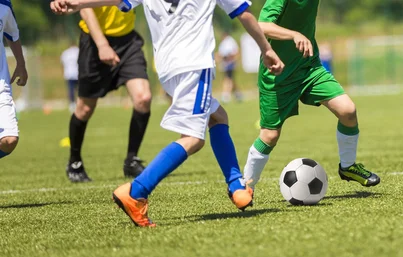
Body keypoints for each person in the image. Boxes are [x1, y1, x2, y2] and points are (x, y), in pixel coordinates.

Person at [51, 0, 284, 227]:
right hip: (194, 64)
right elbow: (243, 13)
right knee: (193, 139)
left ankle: (236, 185)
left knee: (218, 117)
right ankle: (136, 191)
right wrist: (267, 49)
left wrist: (77, 3)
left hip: (166, 67)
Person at [242, 0, 380, 191]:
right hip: (277, 74)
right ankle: (246, 187)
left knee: (348, 110)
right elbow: (262, 25)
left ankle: (348, 167)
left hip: (309, 67)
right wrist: (294, 35)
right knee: (269, 135)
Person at [66, 4, 153, 182]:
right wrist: (102, 45)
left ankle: (131, 159)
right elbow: (84, 7)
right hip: (94, 41)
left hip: (128, 42)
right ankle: (75, 161)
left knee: (143, 98)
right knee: (84, 109)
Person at [0, 1, 28, 160]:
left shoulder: (4, 5)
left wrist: (21, 63)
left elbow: (12, 32)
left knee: (9, 140)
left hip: (1, 84)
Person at [217, 31, 241, 102]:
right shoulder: (225, 42)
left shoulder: (229, 41)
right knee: (230, 79)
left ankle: (226, 95)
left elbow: (233, 52)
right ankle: (237, 94)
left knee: (228, 79)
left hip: (230, 62)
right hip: (226, 62)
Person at [60, 43, 79, 112]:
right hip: (78, 74)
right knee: (79, 90)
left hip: (69, 74)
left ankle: (72, 104)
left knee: (71, 90)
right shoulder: (78, 51)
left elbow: (62, 64)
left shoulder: (65, 53)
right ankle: (78, 103)